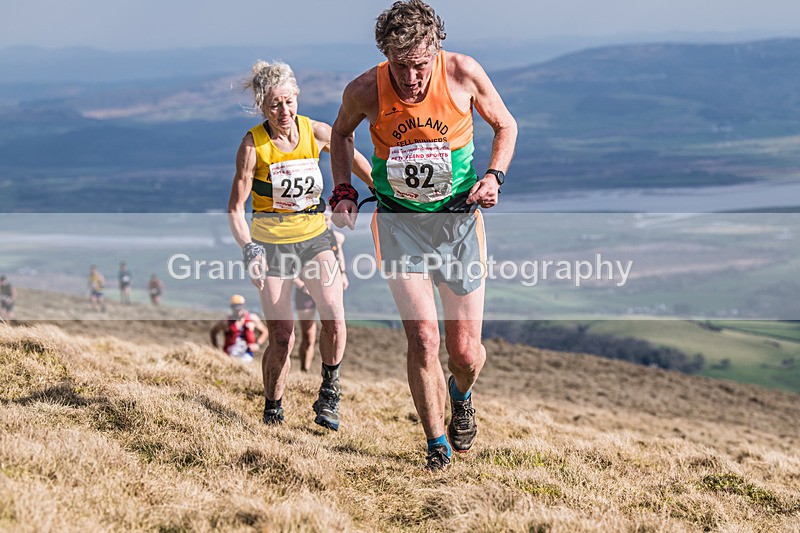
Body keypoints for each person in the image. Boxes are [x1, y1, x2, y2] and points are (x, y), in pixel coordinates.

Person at [329, 0, 517, 470]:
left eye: (419, 65)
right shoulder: (364, 89)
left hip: (457, 220)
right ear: (385, 55)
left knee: (466, 353)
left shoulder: (462, 73)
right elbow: (340, 134)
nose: (411, 78)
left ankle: (462, 396)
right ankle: (437, 447)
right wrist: (346, 191)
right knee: (424, 340)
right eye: (401, 66)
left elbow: (505, 125)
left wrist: (493, 177)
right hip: (398, 223)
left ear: (436, 49)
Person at [228, 60, 373, 429]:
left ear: (297, 98)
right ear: (262, 106)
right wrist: (250, 248)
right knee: (281, 337)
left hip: (314, 239)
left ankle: (329, 393)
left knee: (335, 319)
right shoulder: (253, 145)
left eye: (289, 101)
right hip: (271, 246)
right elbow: (235, 210)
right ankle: (273, 410)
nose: (284, 111)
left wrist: (378, 189)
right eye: (275, 104)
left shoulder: (316, 131)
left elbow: (353, 156)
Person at [294, 210, 349, 372]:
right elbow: (291, 267)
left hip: (328, 287)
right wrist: (301, 285)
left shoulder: (337, 238)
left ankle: (329, 375)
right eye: (322, 219)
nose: (326, 222)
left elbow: (339, 256)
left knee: (334, 326)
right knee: (308, 336)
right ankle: (304, 370)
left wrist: (343, 275)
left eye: (328, 219)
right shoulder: (303, 237)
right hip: (305, 292)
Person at [210, 294, 269, 363]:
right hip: (229, 356)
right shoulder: (225, 322)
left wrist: (257, 344)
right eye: (235, 307)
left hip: (247, 355)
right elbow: (213, 332)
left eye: (240, 306)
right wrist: (216, 348)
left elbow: (265, 331)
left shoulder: (252, 318)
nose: (238, 310)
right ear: (232, 307)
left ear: (243, 306)